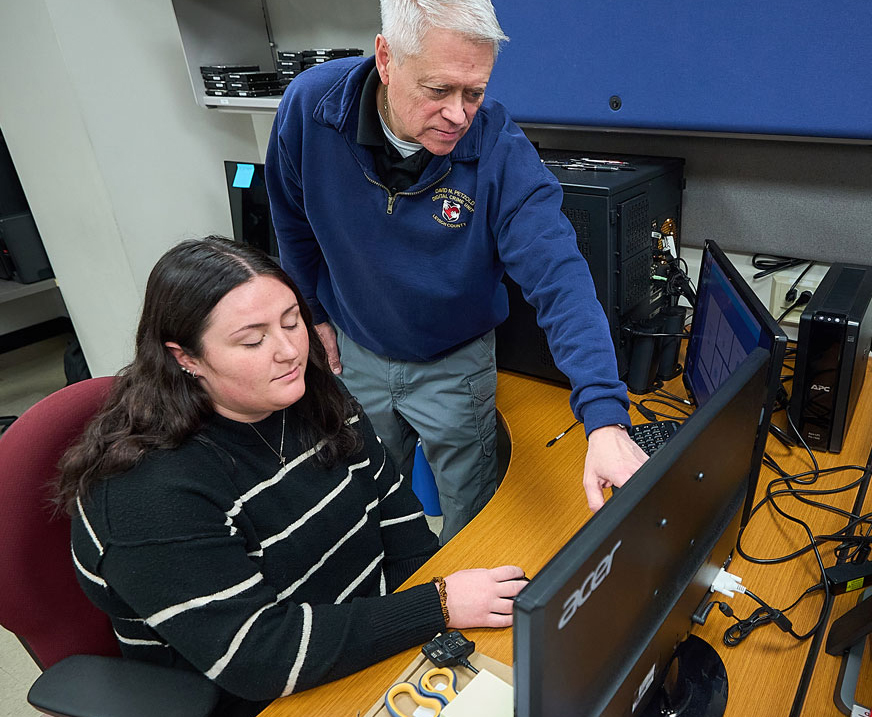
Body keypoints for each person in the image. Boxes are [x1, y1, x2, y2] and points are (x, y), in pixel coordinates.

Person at [57, 237, 527, 717]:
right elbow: (260, 657)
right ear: (186, 358)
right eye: (253, 339)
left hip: (354, 656)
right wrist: (437, 605)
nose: (289, 351)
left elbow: (400, 523)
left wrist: (440, 642)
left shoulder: (317, 400)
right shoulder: (145, 492)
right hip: (258, 698)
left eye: (292, 321)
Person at [265, 0, 647, 543]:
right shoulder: (310, 107)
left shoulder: (498, 151)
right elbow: (291, 218)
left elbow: (560, 277)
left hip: (454, 359)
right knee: (371, 495)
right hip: (354, 346)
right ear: (386, 59)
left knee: (472, 517)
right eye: (438, 90)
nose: (458, 115)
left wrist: (605, 416)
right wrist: (314, 312)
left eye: (475, 92)